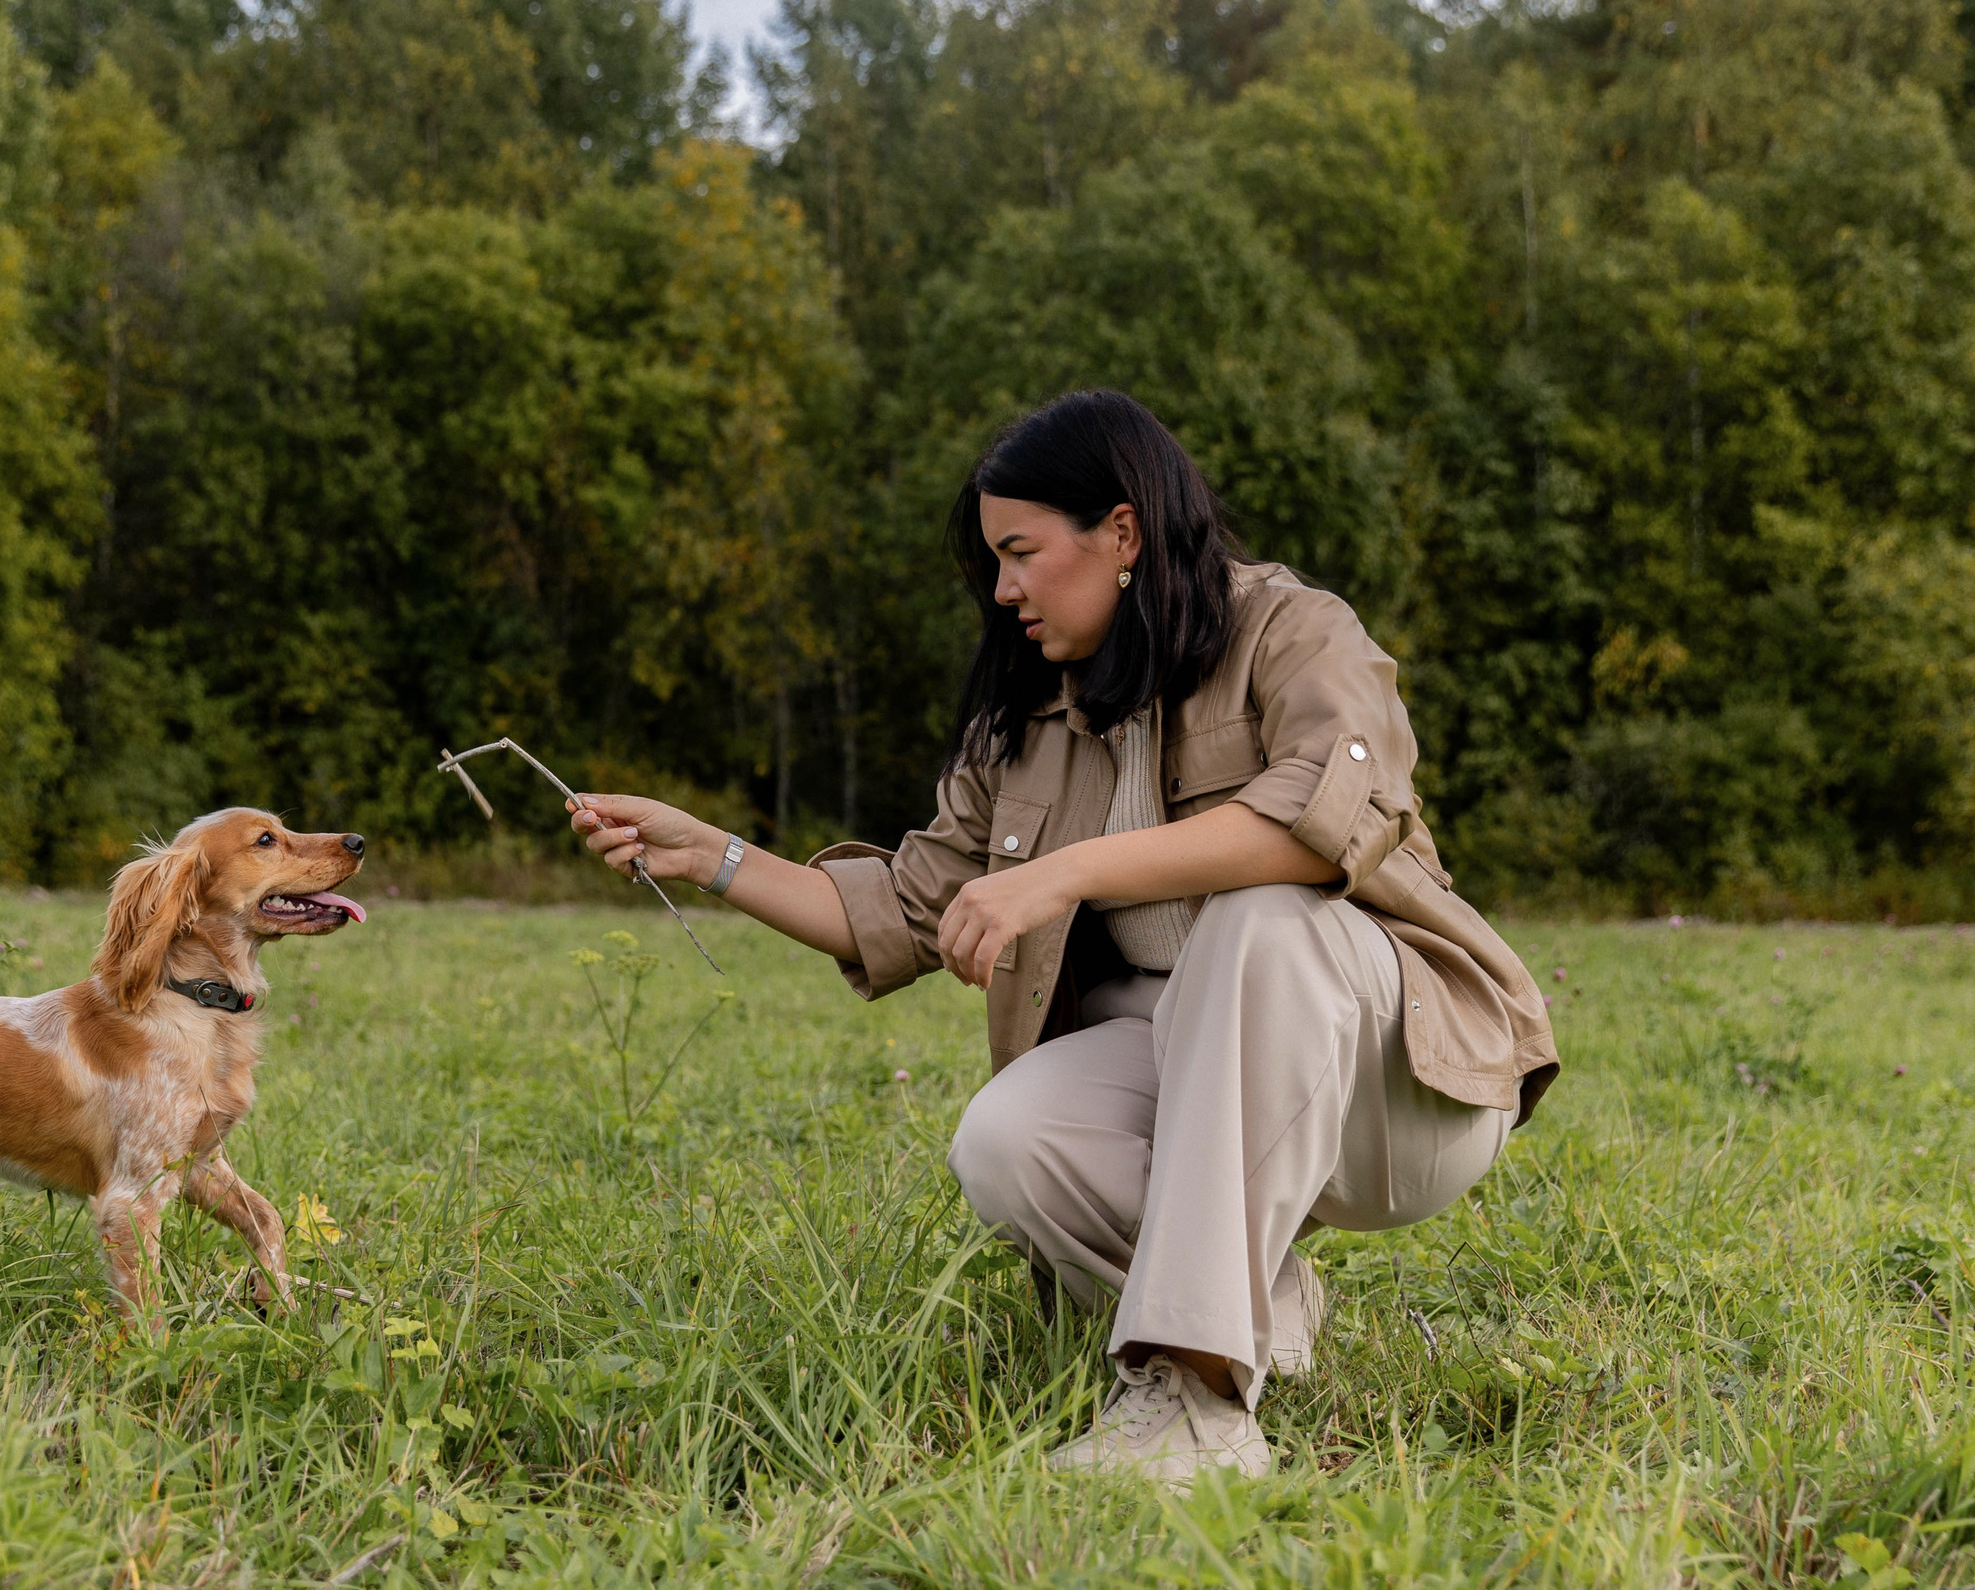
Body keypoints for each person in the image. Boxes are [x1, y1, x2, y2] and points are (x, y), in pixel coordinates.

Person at [567, 389, 1559, 1485]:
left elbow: (1316, 828)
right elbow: (898, 908)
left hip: (1401, 1091)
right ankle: (1259, 1305)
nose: (1003, 590)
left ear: (1122, 532)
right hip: (1196, 1069)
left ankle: (1196, 1406)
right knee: (1011, 1137)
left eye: (1021, 553)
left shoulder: (1293, 630)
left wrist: (1062, 872)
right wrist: (711, 854)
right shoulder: (1029, 718)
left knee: (1258, 921)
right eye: (995, 561)